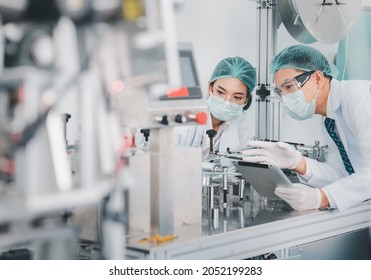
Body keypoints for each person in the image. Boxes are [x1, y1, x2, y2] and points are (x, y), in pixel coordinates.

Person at [242, 45, 371, 212]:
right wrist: (298, 162)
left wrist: (322, 198)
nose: (286, 98)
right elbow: (342, 174)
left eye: (289, 87)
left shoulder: (359, 97)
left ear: (317, 78)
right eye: (280, 92)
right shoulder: (329, 121)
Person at [176, 56, 256, 166]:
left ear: (246, 100)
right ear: (210, 88)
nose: (227, 102)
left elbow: (245, 165)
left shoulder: (243, 123)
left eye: (237, 97)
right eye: (221, 92)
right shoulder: (185, 120)